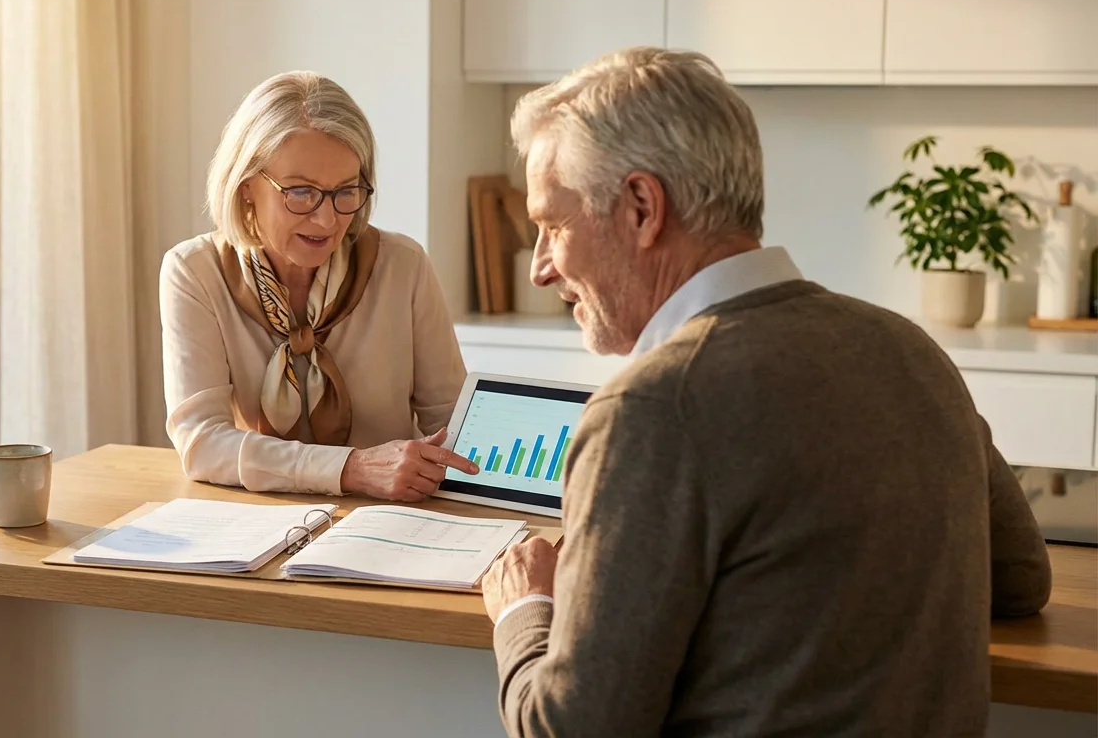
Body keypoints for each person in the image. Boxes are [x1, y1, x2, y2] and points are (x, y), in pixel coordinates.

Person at [480, 46, 1052, 737]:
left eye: (552, 224)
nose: (541, 268)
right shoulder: (908, 348)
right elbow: (1021, 581)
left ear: (639, 208)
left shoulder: (656, 407)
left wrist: (523, 611)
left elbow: (569, 730)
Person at [160, 71, 477, 500]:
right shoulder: (195, 272)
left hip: (390, 522)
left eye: (346, 191)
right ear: (247, 186)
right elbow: (201, 444)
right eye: (301, 192)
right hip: (257, 523)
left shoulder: (404, 266)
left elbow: (455, 427)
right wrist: (352, 469)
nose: (327, 220)